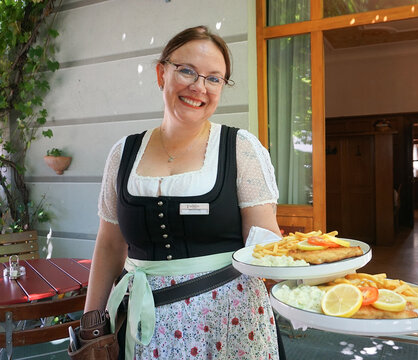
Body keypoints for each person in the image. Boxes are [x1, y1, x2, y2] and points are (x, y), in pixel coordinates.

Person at [83, 25, 284, 360]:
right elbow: (109, 243)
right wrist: (92, 321)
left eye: (213, 78)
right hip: (145, 325)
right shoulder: (123, 153)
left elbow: (265, 241)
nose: (199, 87)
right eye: (187, 71)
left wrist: (305, 284)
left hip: (228, 323)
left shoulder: (240, 149)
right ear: (162, 73)